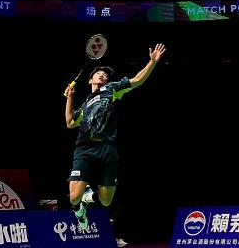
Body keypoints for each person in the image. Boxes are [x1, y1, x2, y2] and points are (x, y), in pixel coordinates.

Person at [64, 44, 166, 234]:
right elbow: (70, 122)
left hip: (107, 149)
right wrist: (70, 98)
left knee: (105, 200)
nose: (102, 75)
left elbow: (137, 80)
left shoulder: (111, 89)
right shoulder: (85, 104)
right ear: (90, 80)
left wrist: (152, 62)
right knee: (73, 197)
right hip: (85, 149)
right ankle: (79, 209)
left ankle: (88, 197)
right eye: (98, 73)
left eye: (105, 74)